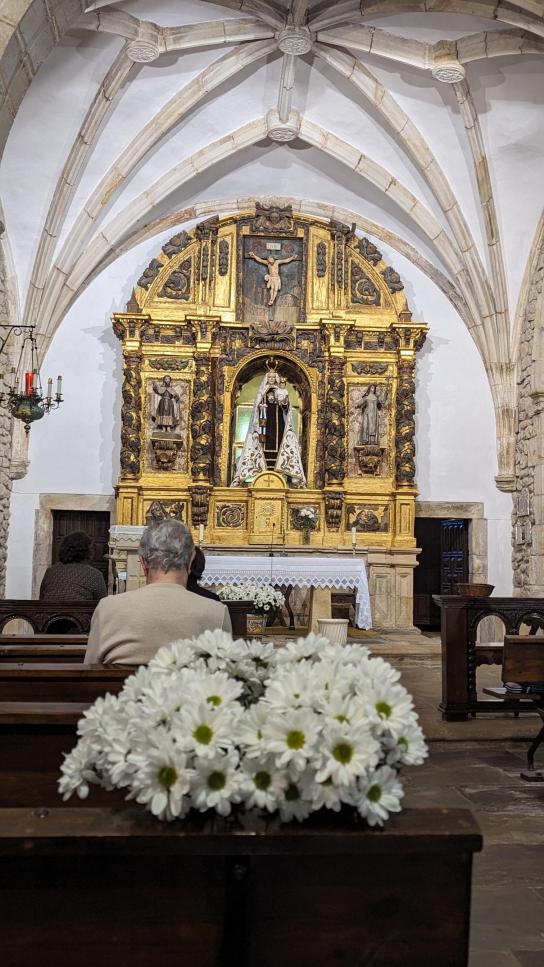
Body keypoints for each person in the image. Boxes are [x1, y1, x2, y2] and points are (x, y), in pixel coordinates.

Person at [84, 519, 231, 666]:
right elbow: (226, 675)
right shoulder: (217, 613)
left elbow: (89, 671)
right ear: (191, 559)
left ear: (143, 562)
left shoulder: (108, 609)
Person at [39, 531, 107, 602]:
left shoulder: (50, 572)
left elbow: (41, 599)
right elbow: (103, 603)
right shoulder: (95, 575)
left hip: (49, 609)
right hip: (79, 609)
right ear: (87, 552)